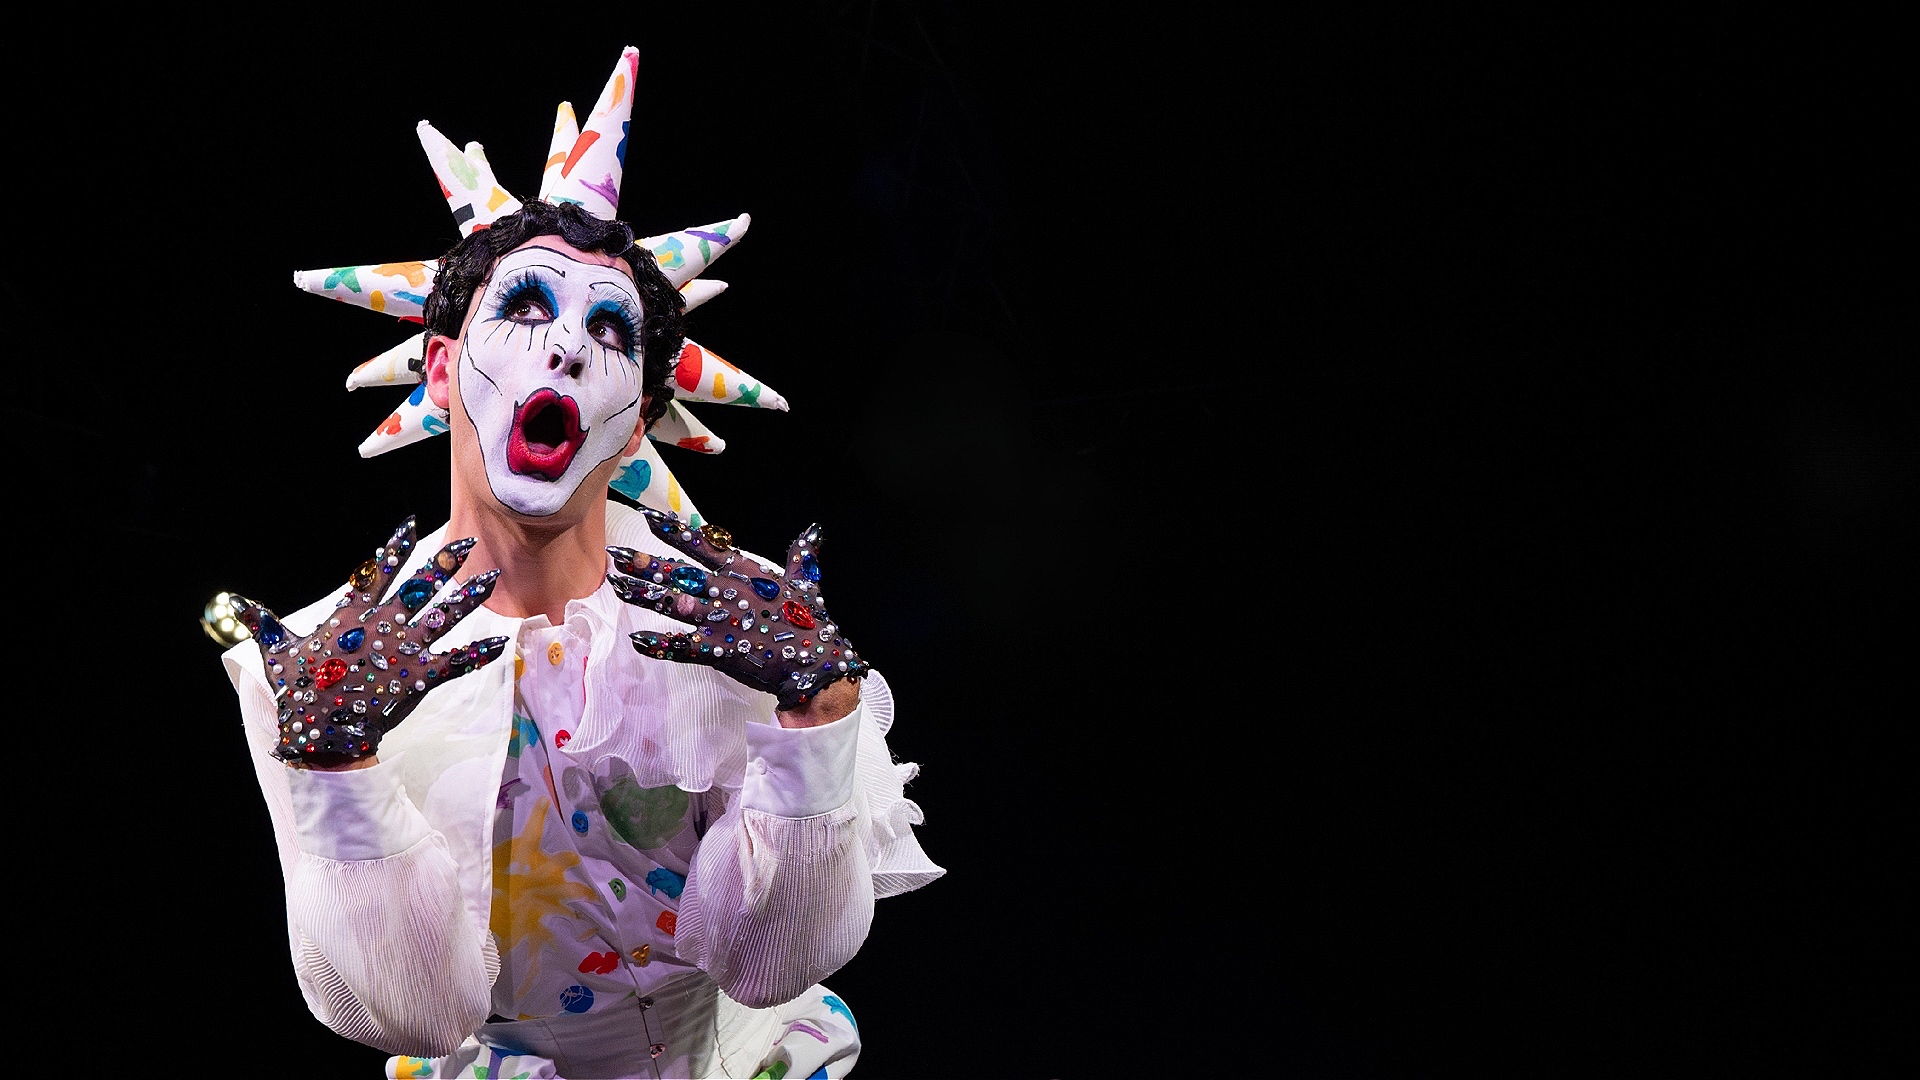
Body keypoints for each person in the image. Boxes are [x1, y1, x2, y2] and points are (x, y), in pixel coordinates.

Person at [220, 49, 941, 1080]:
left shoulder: (740, 626)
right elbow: (414, 1017)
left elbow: (770, 964)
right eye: (523, 309)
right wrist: (339, 769)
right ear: (437, 363)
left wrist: (813, 726)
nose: (565, 350)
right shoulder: (317, 664)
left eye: (609, 329)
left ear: (641, 411)